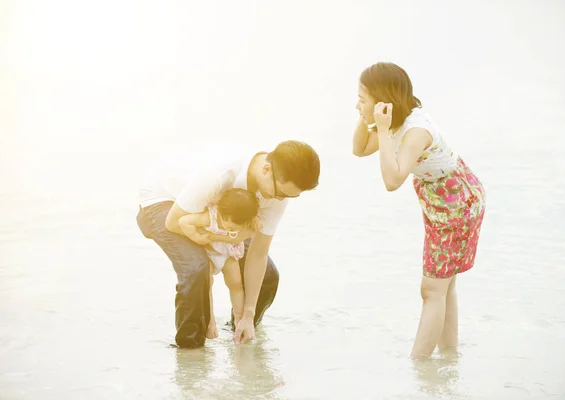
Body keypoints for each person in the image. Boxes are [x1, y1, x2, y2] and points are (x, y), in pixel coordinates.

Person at [352, 62, 486, 358]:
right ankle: (448, 360)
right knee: (443, 287)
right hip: (442, 199)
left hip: (456, 203)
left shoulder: (414, 131)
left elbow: (392, 180)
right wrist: (368, 118)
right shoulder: (396, 122)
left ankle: (419, 368)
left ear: (384, 100)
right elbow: (359, 149)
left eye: (362, 98)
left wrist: (383, 128)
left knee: (432, 289)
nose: (356, 104)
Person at [136, 140, 320, 348]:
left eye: (289, 196)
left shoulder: (279, 193)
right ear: (267, 169)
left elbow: (258, 254)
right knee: (197, 266)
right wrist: (222, 239)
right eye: (281, 193)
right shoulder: (218, 176)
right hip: (166, 204)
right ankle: (191, 352)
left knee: (268, 277)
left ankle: (240, 333)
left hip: (219, 218)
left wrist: (248, 314)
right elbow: (173, 222)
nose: (280, 200)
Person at [179, 188, 262, 339]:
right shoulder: (211, 217)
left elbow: (254, 229)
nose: (229, 227)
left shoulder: (247, 220)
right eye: (226, 222)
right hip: (209, 253)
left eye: (236, 227)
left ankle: (238, 318)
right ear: (220, 212)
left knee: (236, 283)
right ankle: (211, 321)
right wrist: (196, 237)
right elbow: (183, 221)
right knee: (207, 283)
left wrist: (254, 220)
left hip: (228, 253)